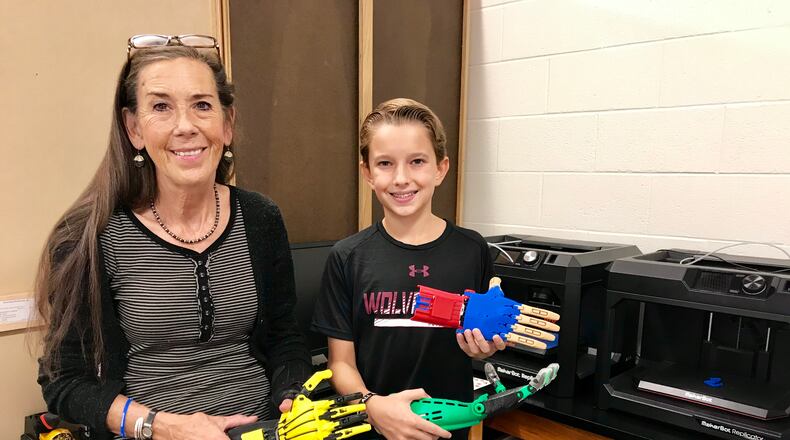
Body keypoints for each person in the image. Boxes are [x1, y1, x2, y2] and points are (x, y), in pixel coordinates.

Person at [35, 35, 312, 440]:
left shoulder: (260, 217)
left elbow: (285, 338)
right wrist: (159, 426)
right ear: (133, 128)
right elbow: (64, 381)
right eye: (161, 107)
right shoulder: (88, 236)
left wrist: (291, 396)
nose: (186, 126)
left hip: (263, 428)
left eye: (202, 105)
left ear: (227, 124)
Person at [311, 98, 506, 440]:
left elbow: (482, 334)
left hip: (448, 428)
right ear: (368, 173)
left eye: (417, 161)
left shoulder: (472, 249)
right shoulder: (347, 256)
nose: (401, 178)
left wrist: (486, 344)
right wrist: (372, 406)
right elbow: (340, 363)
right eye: (385, 163)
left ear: (440, 168)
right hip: (372, 429)